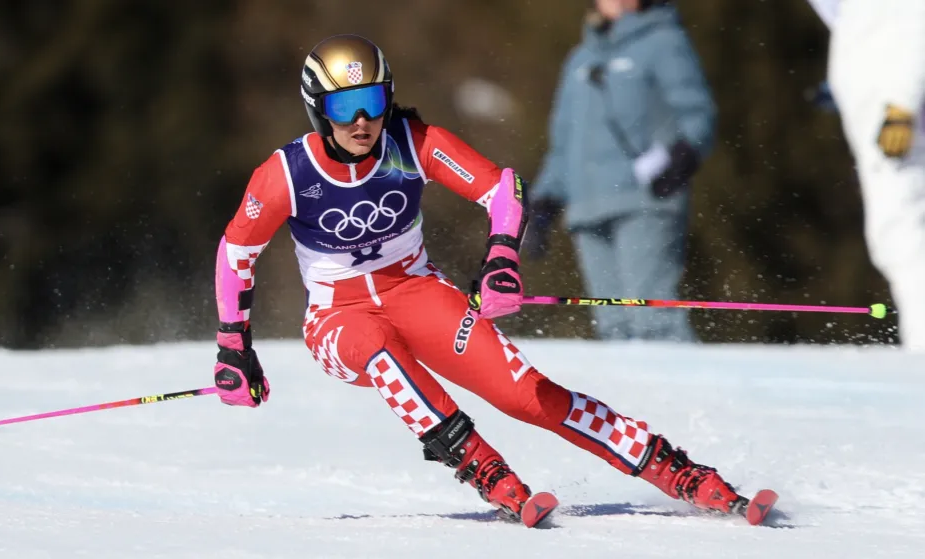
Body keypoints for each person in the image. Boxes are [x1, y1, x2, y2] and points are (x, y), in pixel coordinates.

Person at [211, 34, 759, 524]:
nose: (361, 121)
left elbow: (502, 190)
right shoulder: (287, 173)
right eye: (343, 107)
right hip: (337, 317)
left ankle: (676, 471)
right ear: (317, 110)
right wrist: (234, 346)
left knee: (526, 396)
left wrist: (501, 259)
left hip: (416, 291)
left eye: (372, 102)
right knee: (377, 348)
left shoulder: (411, 142)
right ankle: (483, 468)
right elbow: (237, 250)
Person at [527, 0, 716, 342]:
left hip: (642, 201)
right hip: (586, 209)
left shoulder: (664, 41)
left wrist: (680, 159)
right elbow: (563, 144)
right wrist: (543, 203)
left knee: (653, 319)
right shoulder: (579, 59)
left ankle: (691, 393)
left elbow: (697, 114)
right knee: (613, 326)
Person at [805, 0, 925, 351]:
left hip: (896, 119)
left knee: (902, 238)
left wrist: (901, 102)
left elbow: (913, 23)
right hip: (883, 111)